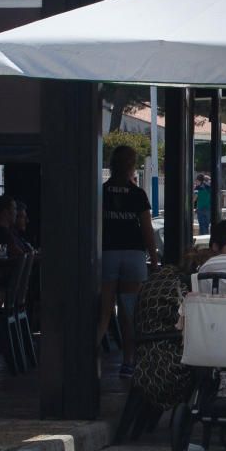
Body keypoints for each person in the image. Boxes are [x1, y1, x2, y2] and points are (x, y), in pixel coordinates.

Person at [98, 145, 159, 379]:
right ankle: (128, 362)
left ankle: (87, 357)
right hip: (133, 255)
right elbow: (147, 230)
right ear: (132, 166)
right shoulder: (137, 194)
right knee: (129, 311)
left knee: (103, 312)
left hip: (107, 254)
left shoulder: (102, 191)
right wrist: (153, 260)